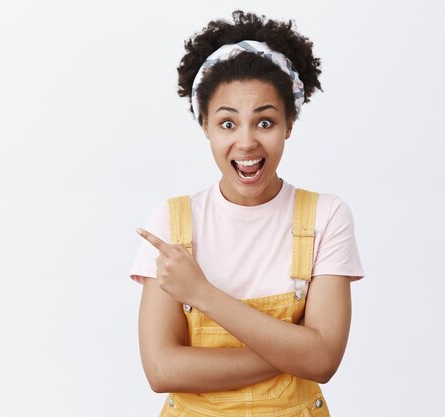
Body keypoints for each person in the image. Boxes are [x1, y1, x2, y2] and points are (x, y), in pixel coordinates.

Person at [129, 10, 364, 417]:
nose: (247, 142)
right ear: (204, 124)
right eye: (227, 124)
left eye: (265, 121)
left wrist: (201, 294)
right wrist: (296, 350)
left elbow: (324, 361)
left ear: (289, 123)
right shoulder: (172, 221)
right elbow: (161, 369)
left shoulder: (326, 216)